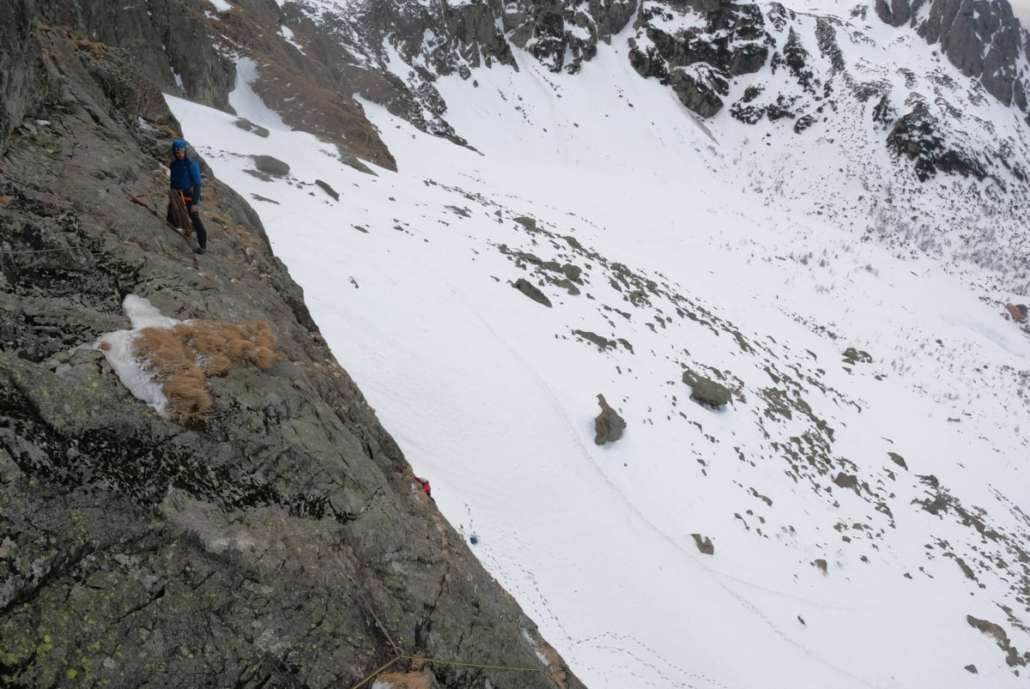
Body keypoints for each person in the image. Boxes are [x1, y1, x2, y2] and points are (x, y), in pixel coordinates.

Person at [168, 138, 208, 254]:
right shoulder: (173, 165)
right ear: (174, 152)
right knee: (171, 215)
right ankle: (179, 228)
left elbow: (197, 184)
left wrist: (194, 203)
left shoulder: (191, 165)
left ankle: (203, 246)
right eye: (177, 152)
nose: (180, 154)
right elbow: (173, 180)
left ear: (185, 151)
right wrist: (172, 193)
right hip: (176, 193)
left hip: (189, 194)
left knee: (195, 218)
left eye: (182, 152)